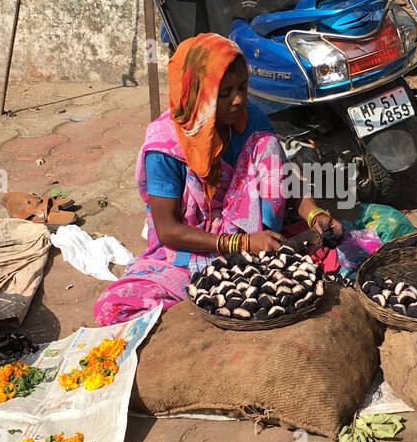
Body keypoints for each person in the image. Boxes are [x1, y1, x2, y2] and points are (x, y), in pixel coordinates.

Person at [93, 34, 341, 324]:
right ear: (197, 91)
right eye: (224, 93)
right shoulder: (164, 146)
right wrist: (240, 244)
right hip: (197, 245)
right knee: (114, 308)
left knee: (268, 145)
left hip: (258, 242)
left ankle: (265, 262)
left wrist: (315, 215)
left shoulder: (252, 121)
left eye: (243, 88)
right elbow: (168, 230)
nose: (238, 100)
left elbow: (284, 178)